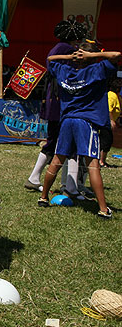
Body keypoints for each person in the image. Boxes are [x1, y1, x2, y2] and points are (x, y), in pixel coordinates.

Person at [38, 43, 120, 219]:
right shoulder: (97, 70)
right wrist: (92, 56)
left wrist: (69, 57)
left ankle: (43, 197)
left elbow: (50, 59)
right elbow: (116, 55)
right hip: (86, 122)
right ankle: (104, 209)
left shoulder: (64, 72)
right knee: (93, 164)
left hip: (67, 121)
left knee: (57, 160)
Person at [25, 20, 86, 191]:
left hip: (54, 101)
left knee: (54, 141)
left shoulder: (58, 48)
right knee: (68, 143)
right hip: (62, 102)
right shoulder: (67, 50)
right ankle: (70, 185)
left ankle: (36, 177)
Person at [99, 78, 121, 168]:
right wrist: (112, 120)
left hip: (107, 121)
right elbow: (109, 109)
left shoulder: (113, 95)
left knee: (107, 141)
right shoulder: (111, 95)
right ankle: (101, 161)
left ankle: (102, 161)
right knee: (106, 141)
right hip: (105, 122)